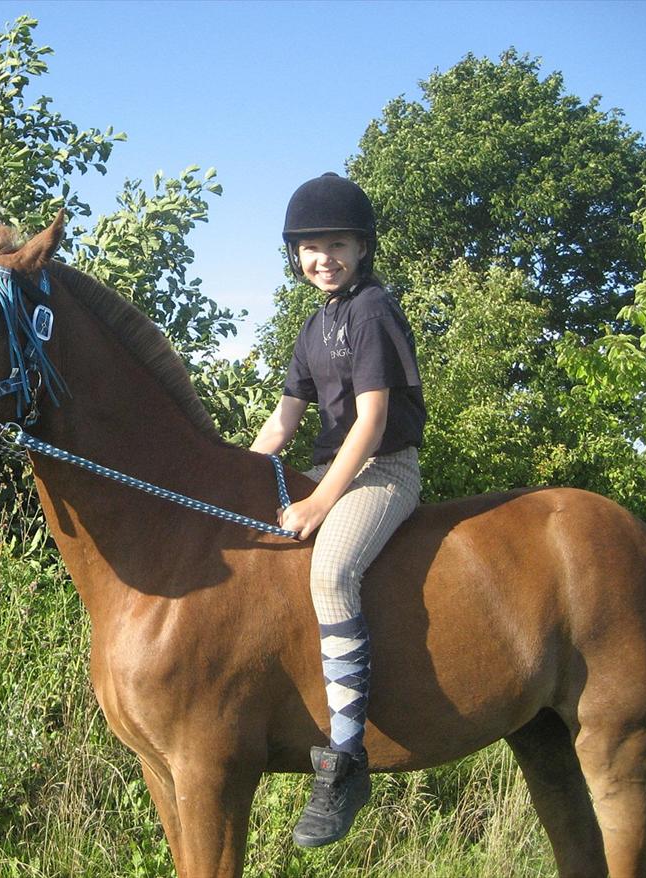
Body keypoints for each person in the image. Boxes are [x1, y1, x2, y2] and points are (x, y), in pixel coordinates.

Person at [250, 172, 426, 848]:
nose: (322, 258)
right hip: (328, 467)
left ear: (362, 247)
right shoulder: (314, 324)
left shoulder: (373, 309)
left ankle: (346, 760)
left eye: (336, 244)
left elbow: (375, 420)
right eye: (308, 247)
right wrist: (236, 480)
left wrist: (322, 499)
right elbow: (282, 423)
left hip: (382, 471)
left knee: (330, 573)